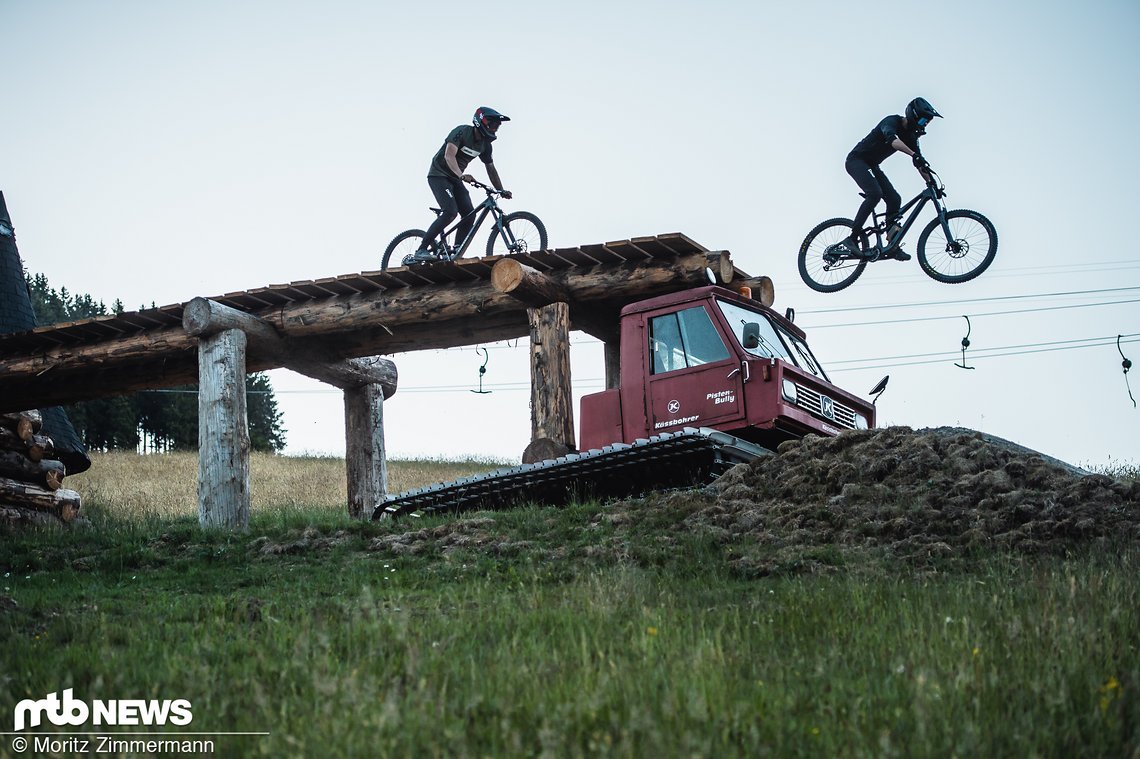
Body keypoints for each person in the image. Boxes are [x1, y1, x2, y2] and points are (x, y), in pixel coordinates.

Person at [838, 97, 942, 261]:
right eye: (923, 120)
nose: (924, 124)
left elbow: (919, 163)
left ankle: (892, 244)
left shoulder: (911, 137)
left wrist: (932, 182)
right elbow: (893, 141)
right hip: (856, 160)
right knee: (875, 194)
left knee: (894, 199)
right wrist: (913, 154)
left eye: (927, 122)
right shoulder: (892, 121)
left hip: (872, 165)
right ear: (913, 115)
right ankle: (851, 239)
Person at [407, 106, 513, 263]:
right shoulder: (462, 132)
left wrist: (500, 189)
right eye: (493, 125)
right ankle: (421, 249)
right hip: (439, 175)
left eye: (497, 127)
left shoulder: (485, 146)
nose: (495, 129)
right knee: (450, 212)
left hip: (455, 179)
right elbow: (449, 155)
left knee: (470, 213)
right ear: (482, 122)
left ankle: (456, 250)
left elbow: (491, 168)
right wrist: (461, 175)